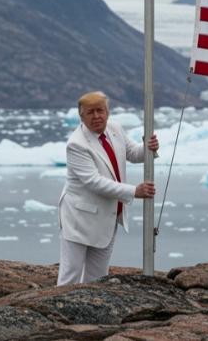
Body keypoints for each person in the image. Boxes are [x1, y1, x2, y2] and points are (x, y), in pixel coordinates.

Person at [56, 91, 158, 285]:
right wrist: (133, 191)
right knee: (71, 276)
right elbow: (93, 182)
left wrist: (148, 147)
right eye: (90, 112)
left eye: (100, 111)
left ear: (107, 112)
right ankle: (59, 313)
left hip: (106, 217)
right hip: (79, 219)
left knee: (98, 277)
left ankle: (89, 312)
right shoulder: (76, 144)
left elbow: (133, 154)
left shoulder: (115, 129)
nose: (96, 116)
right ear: (81, 116)